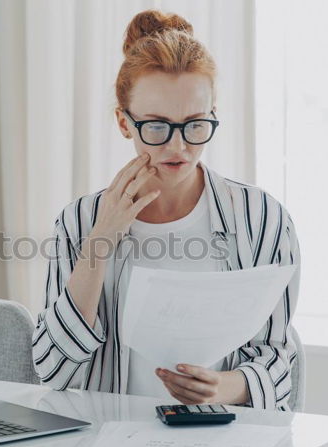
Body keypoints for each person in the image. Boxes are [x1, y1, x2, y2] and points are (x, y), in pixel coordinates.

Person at [31, 9, 301, 411]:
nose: (178, 148)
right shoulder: (80, 221)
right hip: (106, 441)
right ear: (124, 123)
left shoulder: (262, 218)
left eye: (195, 124)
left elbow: (279, 358)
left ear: (213, 114)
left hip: (219, 442)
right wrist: (101, 240)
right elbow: (52, 370)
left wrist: (221, 388)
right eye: (156, 126)